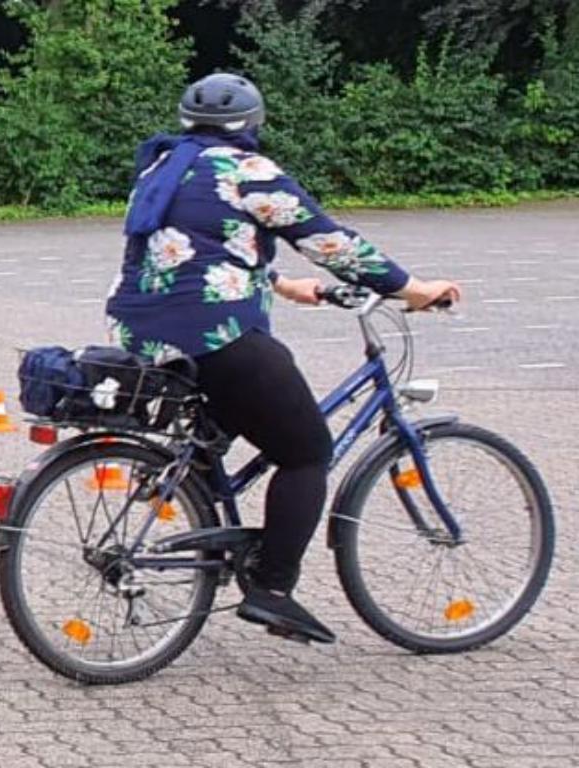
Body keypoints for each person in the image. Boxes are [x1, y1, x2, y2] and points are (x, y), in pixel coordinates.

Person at [105, 73, 461, 644]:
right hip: (214, 335)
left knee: (226, 422)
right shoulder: (249, 172)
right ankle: (272, 587)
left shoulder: (163, 166)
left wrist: (284, 284)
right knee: (305, 450)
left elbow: (198, 244)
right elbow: (332, 243)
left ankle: (207, 518)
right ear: (253, 124)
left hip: (143, 334)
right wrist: (412, 288)